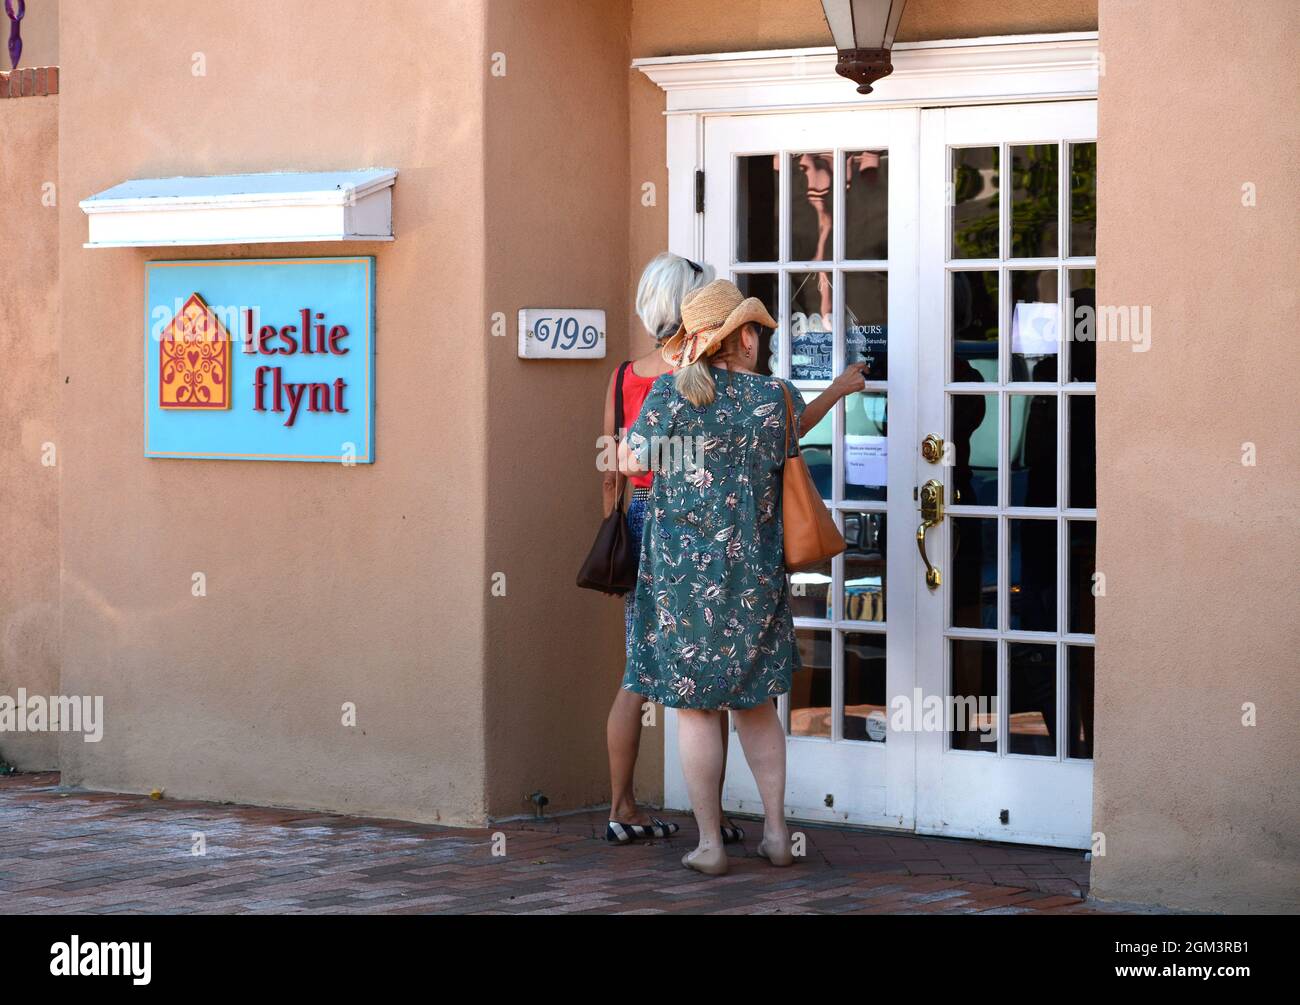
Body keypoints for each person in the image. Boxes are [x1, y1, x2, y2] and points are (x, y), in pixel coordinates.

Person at [618, 279, 866, 875]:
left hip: (682, 578)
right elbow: (789, 440)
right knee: (757, 707)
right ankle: (778, 835)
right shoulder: (772, 398)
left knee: (698, 711)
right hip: (753, 573)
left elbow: (630, 460)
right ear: (744, 337)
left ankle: (710, 845)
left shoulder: (669, 398)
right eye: (756, 329)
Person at [601, 252, 732, 845]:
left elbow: (612, 469)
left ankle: (620, 805)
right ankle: (715, 815)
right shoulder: (702, 374)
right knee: (708, 666)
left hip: (639, 516)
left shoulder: (626, 374)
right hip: (692, 524)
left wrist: (618, 533)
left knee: (637, 667)